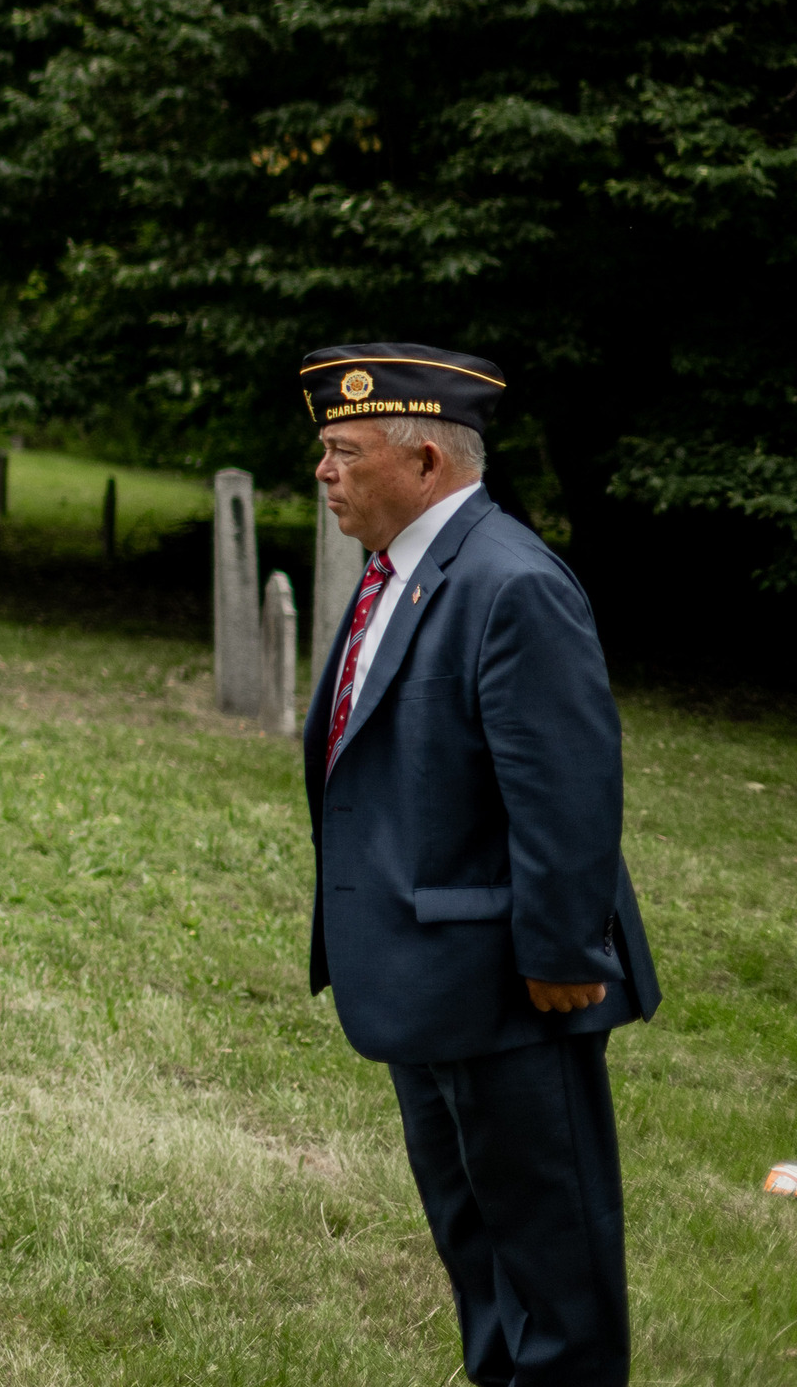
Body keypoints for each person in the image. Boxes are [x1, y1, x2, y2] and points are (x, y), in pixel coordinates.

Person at [302, 345, 653, 1387]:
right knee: (482, 1250)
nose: (323, 471)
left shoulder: (510, 582)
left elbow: (566, 789)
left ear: (422, 460)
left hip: (514, 983)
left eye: (343, 450)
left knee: (553, 1266)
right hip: (428, 980)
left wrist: (559, 951)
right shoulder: (402, 573)